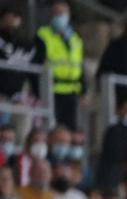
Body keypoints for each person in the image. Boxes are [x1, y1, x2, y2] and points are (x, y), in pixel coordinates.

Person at [35, 2, 84, 130]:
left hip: (72, 90)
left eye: (63, 13)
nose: (61, 17)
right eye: (57, 13)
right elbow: (37, 64)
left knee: (70, 129)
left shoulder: (75, 38)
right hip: (52, 89)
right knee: (53, 129)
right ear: (51, 16)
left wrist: (83, 90)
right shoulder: (43, 35)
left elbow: (79, 65)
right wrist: (38, 89)